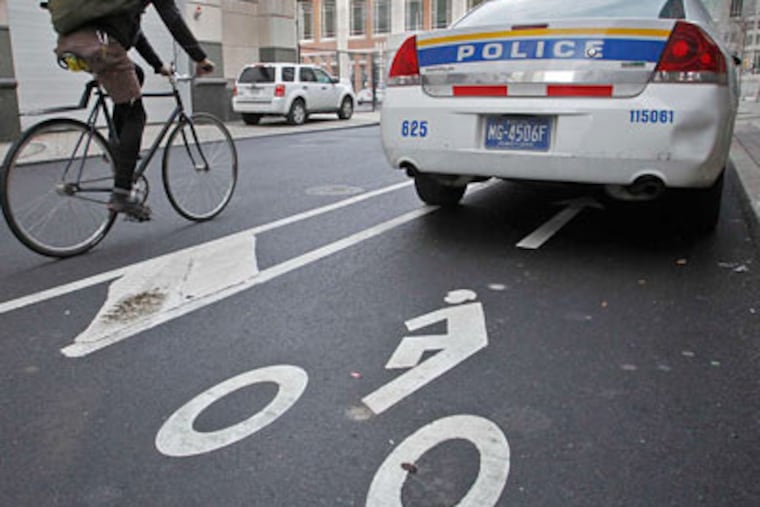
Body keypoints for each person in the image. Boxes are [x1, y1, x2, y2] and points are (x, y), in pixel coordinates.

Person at [53, 0, 215, 221]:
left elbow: (132, 33)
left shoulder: (117, 8)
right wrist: (200, 57)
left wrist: (158, 65)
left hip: (73, 44)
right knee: (136, 115)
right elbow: (173, 19)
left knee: (135, 75)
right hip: (102, 45)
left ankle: (116, 146)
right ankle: (122, 193)